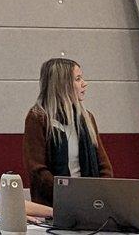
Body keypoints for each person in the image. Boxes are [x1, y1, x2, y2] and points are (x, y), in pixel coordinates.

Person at [23, 58, 114, 204]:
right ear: (62, 85)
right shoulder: (37, 118)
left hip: (91, 202)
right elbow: (37, 171)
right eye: (78, 79)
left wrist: (100, 194)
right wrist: (70, 195)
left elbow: (103, 165)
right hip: (53, 206)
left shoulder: (87, 117)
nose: (84, 83)